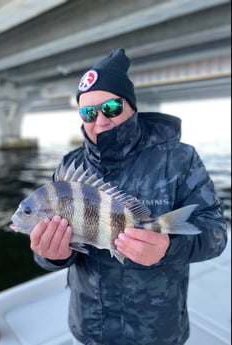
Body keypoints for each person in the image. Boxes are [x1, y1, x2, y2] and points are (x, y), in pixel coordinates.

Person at [30, 48, 227, 345]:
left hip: (158, 331)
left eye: (110, 107)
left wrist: (167, 248)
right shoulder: (69, 167)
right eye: (88, 112)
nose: (100, 120)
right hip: (89, 327)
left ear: (131, 106)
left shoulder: (179, 158)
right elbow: (58, 248)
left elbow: (216, 233)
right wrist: (50, 256)